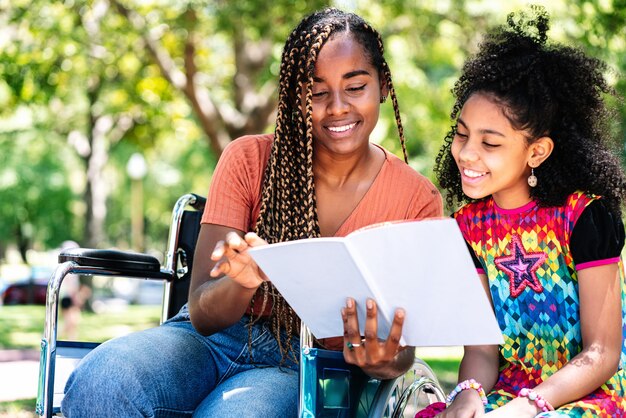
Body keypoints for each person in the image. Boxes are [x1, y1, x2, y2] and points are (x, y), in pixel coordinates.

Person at [61, 8, 442, 417]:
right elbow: (204, 315)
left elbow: (402, 355)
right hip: (210, 341)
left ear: (383, 85)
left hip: (303, 364)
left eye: (355, 87)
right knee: (102, 378)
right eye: (316, 92)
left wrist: (381, 359)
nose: (336, 107)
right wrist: (241, 283)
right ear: (296, 95)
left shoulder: (415, 199)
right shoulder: (249, 159)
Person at [431, 6, 626, 418]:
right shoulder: (467, 227)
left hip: (592, 396)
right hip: (508, 394)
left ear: (536, 151)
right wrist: (468, 395)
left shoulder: (584, 216)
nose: (467, 153)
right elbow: (482, 350)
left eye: (491, 143)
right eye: (462, 134)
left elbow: (603, 352)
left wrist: (529, 406)